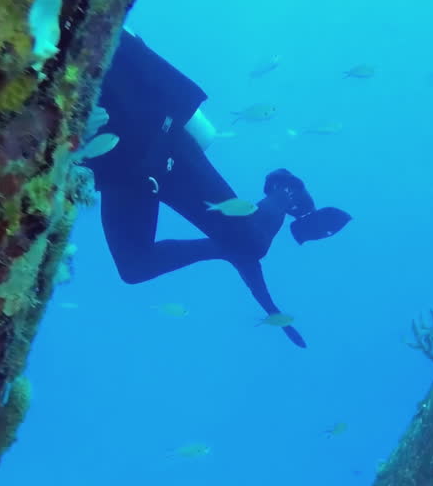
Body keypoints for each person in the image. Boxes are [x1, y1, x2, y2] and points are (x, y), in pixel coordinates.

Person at [81, 29, 352, 348]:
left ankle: (282, 194)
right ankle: (224, 247)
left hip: (158, 137)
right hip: (119, 166)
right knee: (134, 266)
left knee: (252, 242)